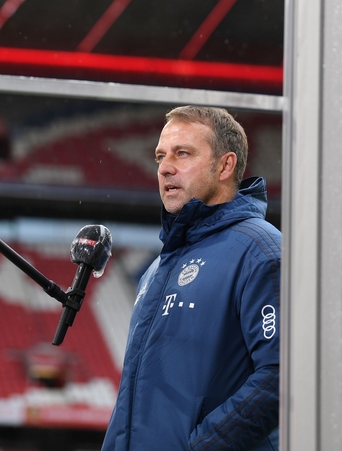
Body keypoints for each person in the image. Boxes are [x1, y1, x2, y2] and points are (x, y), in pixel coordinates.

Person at [101, 106, 280, 450]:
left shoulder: (261, 250)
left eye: (182, 153)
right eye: (160, 156)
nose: (165, 167)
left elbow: (280, 374)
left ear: (225, 166)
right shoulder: (157, 270)